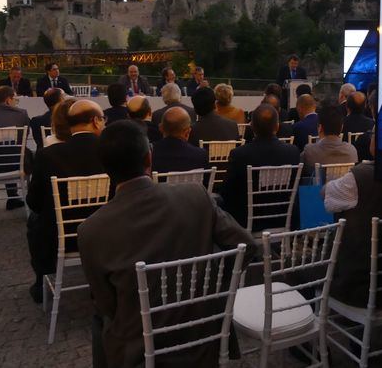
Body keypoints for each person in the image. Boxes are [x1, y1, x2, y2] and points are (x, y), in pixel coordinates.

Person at [78, 120, 256, 368]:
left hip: (140, 352)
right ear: (149, 158)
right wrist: (212, 284)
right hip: (203, 338)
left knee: (100, 320)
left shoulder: (91, 230)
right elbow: (247, 246)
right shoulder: (196, 195)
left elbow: (108, 305)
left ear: (105, 168)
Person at [26, 100, 107, 303]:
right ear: (96, 121)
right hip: (105, 234)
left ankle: (41, 280)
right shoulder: (111, 151)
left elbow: (34, 202)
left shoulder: (47, 155)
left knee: (36, 220)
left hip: (61, 239)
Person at [322, 129, 382, 308]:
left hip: (354, 283)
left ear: (374, 143)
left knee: (297, 270)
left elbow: (325, 196)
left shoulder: (361, 176)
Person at [223, 104, 300, 228]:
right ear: (277, 126)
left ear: (252, 127)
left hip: (246, 221)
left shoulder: (239, 154)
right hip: (283, 217)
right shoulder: (293, 152)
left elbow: (226, 192)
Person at [301, 105, 358, 177]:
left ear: (320, 128)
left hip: (319, 188)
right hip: (343, 188)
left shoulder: (309, 151)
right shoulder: (351, 150)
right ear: (341, 127)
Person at [151, 107, 208, 174]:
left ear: (161, 128)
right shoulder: (201, 155)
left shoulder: (151, 153)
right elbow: (205, 183)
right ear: (187, 132)